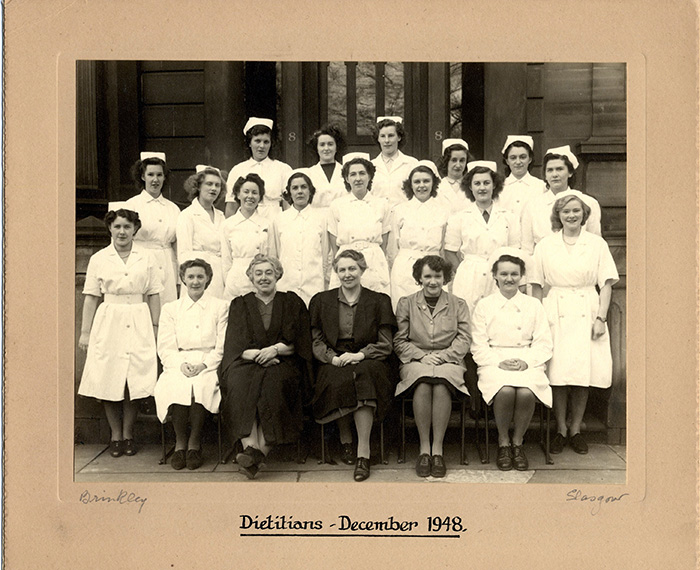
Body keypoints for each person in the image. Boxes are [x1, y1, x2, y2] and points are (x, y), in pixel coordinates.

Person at [530, 194, 619, 455]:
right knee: (557, 373)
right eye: (566, 211)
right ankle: (560, 429)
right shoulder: (545, 245)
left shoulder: (596, 244)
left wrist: (600, 318)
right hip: (555, 309)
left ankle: (576, 429)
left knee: (582, 373)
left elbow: (606, 285)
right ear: (558, 215)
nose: (571, 215)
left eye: (576, 211)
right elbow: (535, 284)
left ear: (584, 214)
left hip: (586, 308)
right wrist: (538, 318)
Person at [219, 255, 313, 479]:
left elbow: (300, 342)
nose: (263, 278)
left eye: (268, 273)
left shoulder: (292, 302)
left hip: (283, 360)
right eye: (258, 273)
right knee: (239, 384)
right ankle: (254, 450)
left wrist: (275, 350)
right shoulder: (240, 304)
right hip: (246, 361)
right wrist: (258, 355)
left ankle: (253, 454)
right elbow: (234, 343)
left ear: (277, 275)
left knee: (275, 384)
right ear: (251, 277)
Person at [77, 208, 162, 458]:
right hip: (109, 319)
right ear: (110, 229)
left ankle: (128, 434)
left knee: (133, 379)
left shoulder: (146, 258)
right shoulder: (100, 258)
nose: (122, 231)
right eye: (117, 227)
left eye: (127, 226)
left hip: (138, 316)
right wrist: (85, 332)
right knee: (109, 377)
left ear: (135, 229)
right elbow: (91, 297)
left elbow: (154, 294)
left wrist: (156, 328)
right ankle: (115, 435)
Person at [310, 250, 397, 481]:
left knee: (364, 378)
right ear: (336, 272)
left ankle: (363, 453)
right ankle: (345, 439)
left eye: (352, 269)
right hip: (334, 357)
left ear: (362, 270)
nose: (347, 274)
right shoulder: (321, 300)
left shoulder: (379, 301)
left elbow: (386, 343)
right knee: (337, 377)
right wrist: (332, 358)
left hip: (368, 358)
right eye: (342, 270)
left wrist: (361, 355)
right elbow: (316, 341)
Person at [471, 249, 553, 471]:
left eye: (514, 274)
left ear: (522, 276)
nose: (509, 279)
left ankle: (518, 442)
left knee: (526, 391)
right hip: (494, 360)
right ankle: (503, 442)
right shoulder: (484, 305)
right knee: (505, 390)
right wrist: (497, 362)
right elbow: (478, 343)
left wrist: (528, 361)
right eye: (504, 274)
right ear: (495, 276)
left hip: (527, 357)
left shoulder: (533, 305)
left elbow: (544, 342)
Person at [393, 256, 471, 478]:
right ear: (419, 278)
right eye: (427, 276)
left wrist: (443, 356)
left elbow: (464, 339)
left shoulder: (459, 304)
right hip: (416, 361)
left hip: (449, 361)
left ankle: (438, 449)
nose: (433, 281)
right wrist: (421, 356)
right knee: (423, 383)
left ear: (445, 278)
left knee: (441, 384)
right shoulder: (406, 303)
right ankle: (423, 449)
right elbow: (399, 340)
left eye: (438, 276)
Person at [154, 259, 229, 470]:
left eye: (200, 277)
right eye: (190, 277)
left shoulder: (221, 307)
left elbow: (222, 345)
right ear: (183, 280)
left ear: (208, 279)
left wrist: (204, 365)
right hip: (179, 362)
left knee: (202, 385)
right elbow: (165, 346)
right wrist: (180, 364)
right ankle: (180, 444)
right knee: (177, 385)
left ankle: (194, 444)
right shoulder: (171, 309)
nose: (195, 281)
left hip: (209, 363)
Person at [444, 161, 519, 315]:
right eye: (477, 183)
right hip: (469, 276)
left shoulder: (509, 217)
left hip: (499, 275)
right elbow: (450, 251)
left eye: (486, 183)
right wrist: (464, 271)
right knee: (469, 319)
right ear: (470, 187)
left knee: (499, 317)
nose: (482, 188)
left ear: (494, 185)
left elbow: (514, 251)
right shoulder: (459, 218)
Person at [327, 153, 392, 295]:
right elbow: (334, 242)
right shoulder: (337, 205)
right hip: (345, 260)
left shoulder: (382, 204)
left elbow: (384, 242)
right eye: (353, 174)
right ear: (346, 178)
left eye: (362, 173)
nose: (358, 179)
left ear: (369, 176)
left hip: (374, 261)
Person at [389, 161, 450, 310]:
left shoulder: (443, 211)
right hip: (405, 268)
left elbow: (445, 247)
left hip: (434, 268)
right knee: (406, 311)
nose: (421, 185)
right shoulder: (400, 210)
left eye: (426, 181)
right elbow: (392, 248)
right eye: (417, 181)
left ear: (433, 183)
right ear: (410, 185)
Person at [521, 145, 601, 255]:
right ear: (545, 175)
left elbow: (595, 245)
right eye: (550, 170)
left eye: (559, 169)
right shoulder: (533, 206)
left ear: (570, 173)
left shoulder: (588, 203)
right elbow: (527, 249)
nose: (554, 175)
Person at [125, 152, 181, 305]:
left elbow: (177, 245)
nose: (155, 180)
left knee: (167, 310)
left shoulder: (173, 209)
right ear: (143, 176)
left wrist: (178, 278)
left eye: (159, 175)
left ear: (164, 177)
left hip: (168, 266)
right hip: (141, 263)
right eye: (150, 174)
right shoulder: (132, 205)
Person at [270, 169, 330, 305]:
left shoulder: (321, 219)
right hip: (286, 285)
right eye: (295, 188)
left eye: (304, 187)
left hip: (315, 284)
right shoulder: (279, 220)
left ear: (310, 191)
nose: (300, 191)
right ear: (289, 192)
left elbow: (326, 254)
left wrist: (324, 281)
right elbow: (274, 255)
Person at [224, 117, 293, 220]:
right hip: (246, 223)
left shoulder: (283, 169)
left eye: (266, 142)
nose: (262, 146)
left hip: (275, 220)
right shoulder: (238, 170)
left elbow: (287, 206)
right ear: (249, 143)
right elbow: (231, 207)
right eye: (257, 141)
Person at [176, 165, 227, 298]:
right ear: (198, 186)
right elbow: (183, 254)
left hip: (219, 276)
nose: (213, 188)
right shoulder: (187, 215)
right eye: (209, 184)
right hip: (197, 277)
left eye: (217, 185)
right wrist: (196, 279)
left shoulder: (221, 216)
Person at [220, 173, 271, 302]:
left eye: (255, 193)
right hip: (236, 281)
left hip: (261, 279)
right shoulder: (228, 224)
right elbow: (226, 261)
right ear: (238, 194)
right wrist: (231, 282)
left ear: (260, 197)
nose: (250, 196)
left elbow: (272, 256)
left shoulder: (267, 224)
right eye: (246, 192)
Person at [370, 116, 418, 210]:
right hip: (378, 219)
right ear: (378, 139)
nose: (387, 141)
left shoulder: (412, 164)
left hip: (405, 218)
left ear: (399, 137)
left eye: (391, 135)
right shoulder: (370, 166)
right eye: (382, 136)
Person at [497, 135, 547, 221]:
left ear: (530, 159)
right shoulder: (499, 187)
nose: (518, 162)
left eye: (523, 157)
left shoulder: (541, 186)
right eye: (513, 158)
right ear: (507, 161)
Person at [306, 124, 346, 212]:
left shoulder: (346, 172)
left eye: (330, 144)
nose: (326, 148)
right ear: (316, 148)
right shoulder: (309, 174)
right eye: (322, 145)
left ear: (337, 147)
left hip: (341, 219)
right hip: (317, 221)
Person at [436, 138, 470, 214]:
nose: (458, 165)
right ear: (446, 161)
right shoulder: (437, 187)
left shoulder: (471, 186)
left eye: (462, 160)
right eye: (454, 160)